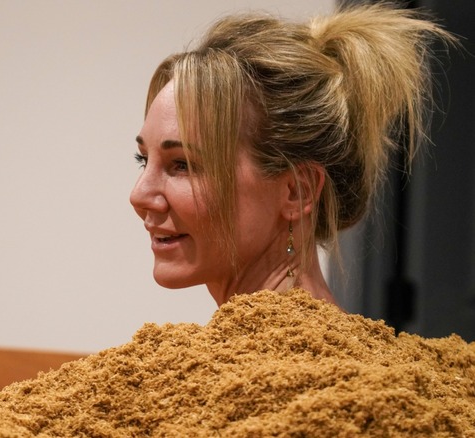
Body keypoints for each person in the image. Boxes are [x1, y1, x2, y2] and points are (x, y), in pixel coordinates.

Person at [129, 3, 455, 306]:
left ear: (296, 190)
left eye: (182, 165)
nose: (139, 195)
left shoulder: (305, 366)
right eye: (143, 160)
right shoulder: (210, 358)